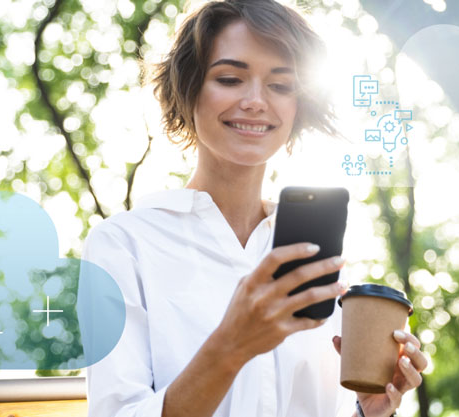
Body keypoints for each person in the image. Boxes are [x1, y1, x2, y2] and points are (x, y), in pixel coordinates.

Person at [80, 1, 427, 416]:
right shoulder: (123, 245)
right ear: (188, 89)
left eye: (281, 86)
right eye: (230, 78)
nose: (256, 101)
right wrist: (231, 345)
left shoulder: (316, 256)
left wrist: (367, 411)